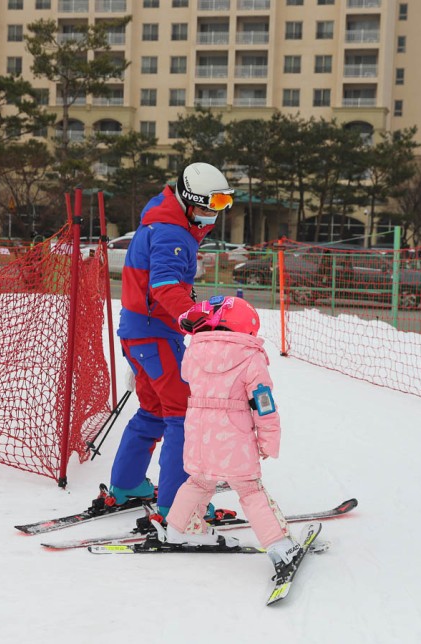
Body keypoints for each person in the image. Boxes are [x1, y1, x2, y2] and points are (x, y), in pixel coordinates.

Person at [105, 162, 235, 518]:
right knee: (183, 413)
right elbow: (164, 286)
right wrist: (198, 321)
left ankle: (127, 482)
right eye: (209, 207)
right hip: (155, 335)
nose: (214, 215)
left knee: (154, 410)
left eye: (222, 206)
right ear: (190, 203)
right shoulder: (172, 233)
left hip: (138, 332)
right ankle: (179, 503)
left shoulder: (164, 221)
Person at [157, 295, 302, 573]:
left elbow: (187, 377)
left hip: (199, 433)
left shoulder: (194, 352)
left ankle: (178, 528)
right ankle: (280, 547)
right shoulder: (251, 357)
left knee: (198, 481)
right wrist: (268, 440)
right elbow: (264, 403)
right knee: (249, 490)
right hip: (234, 438)